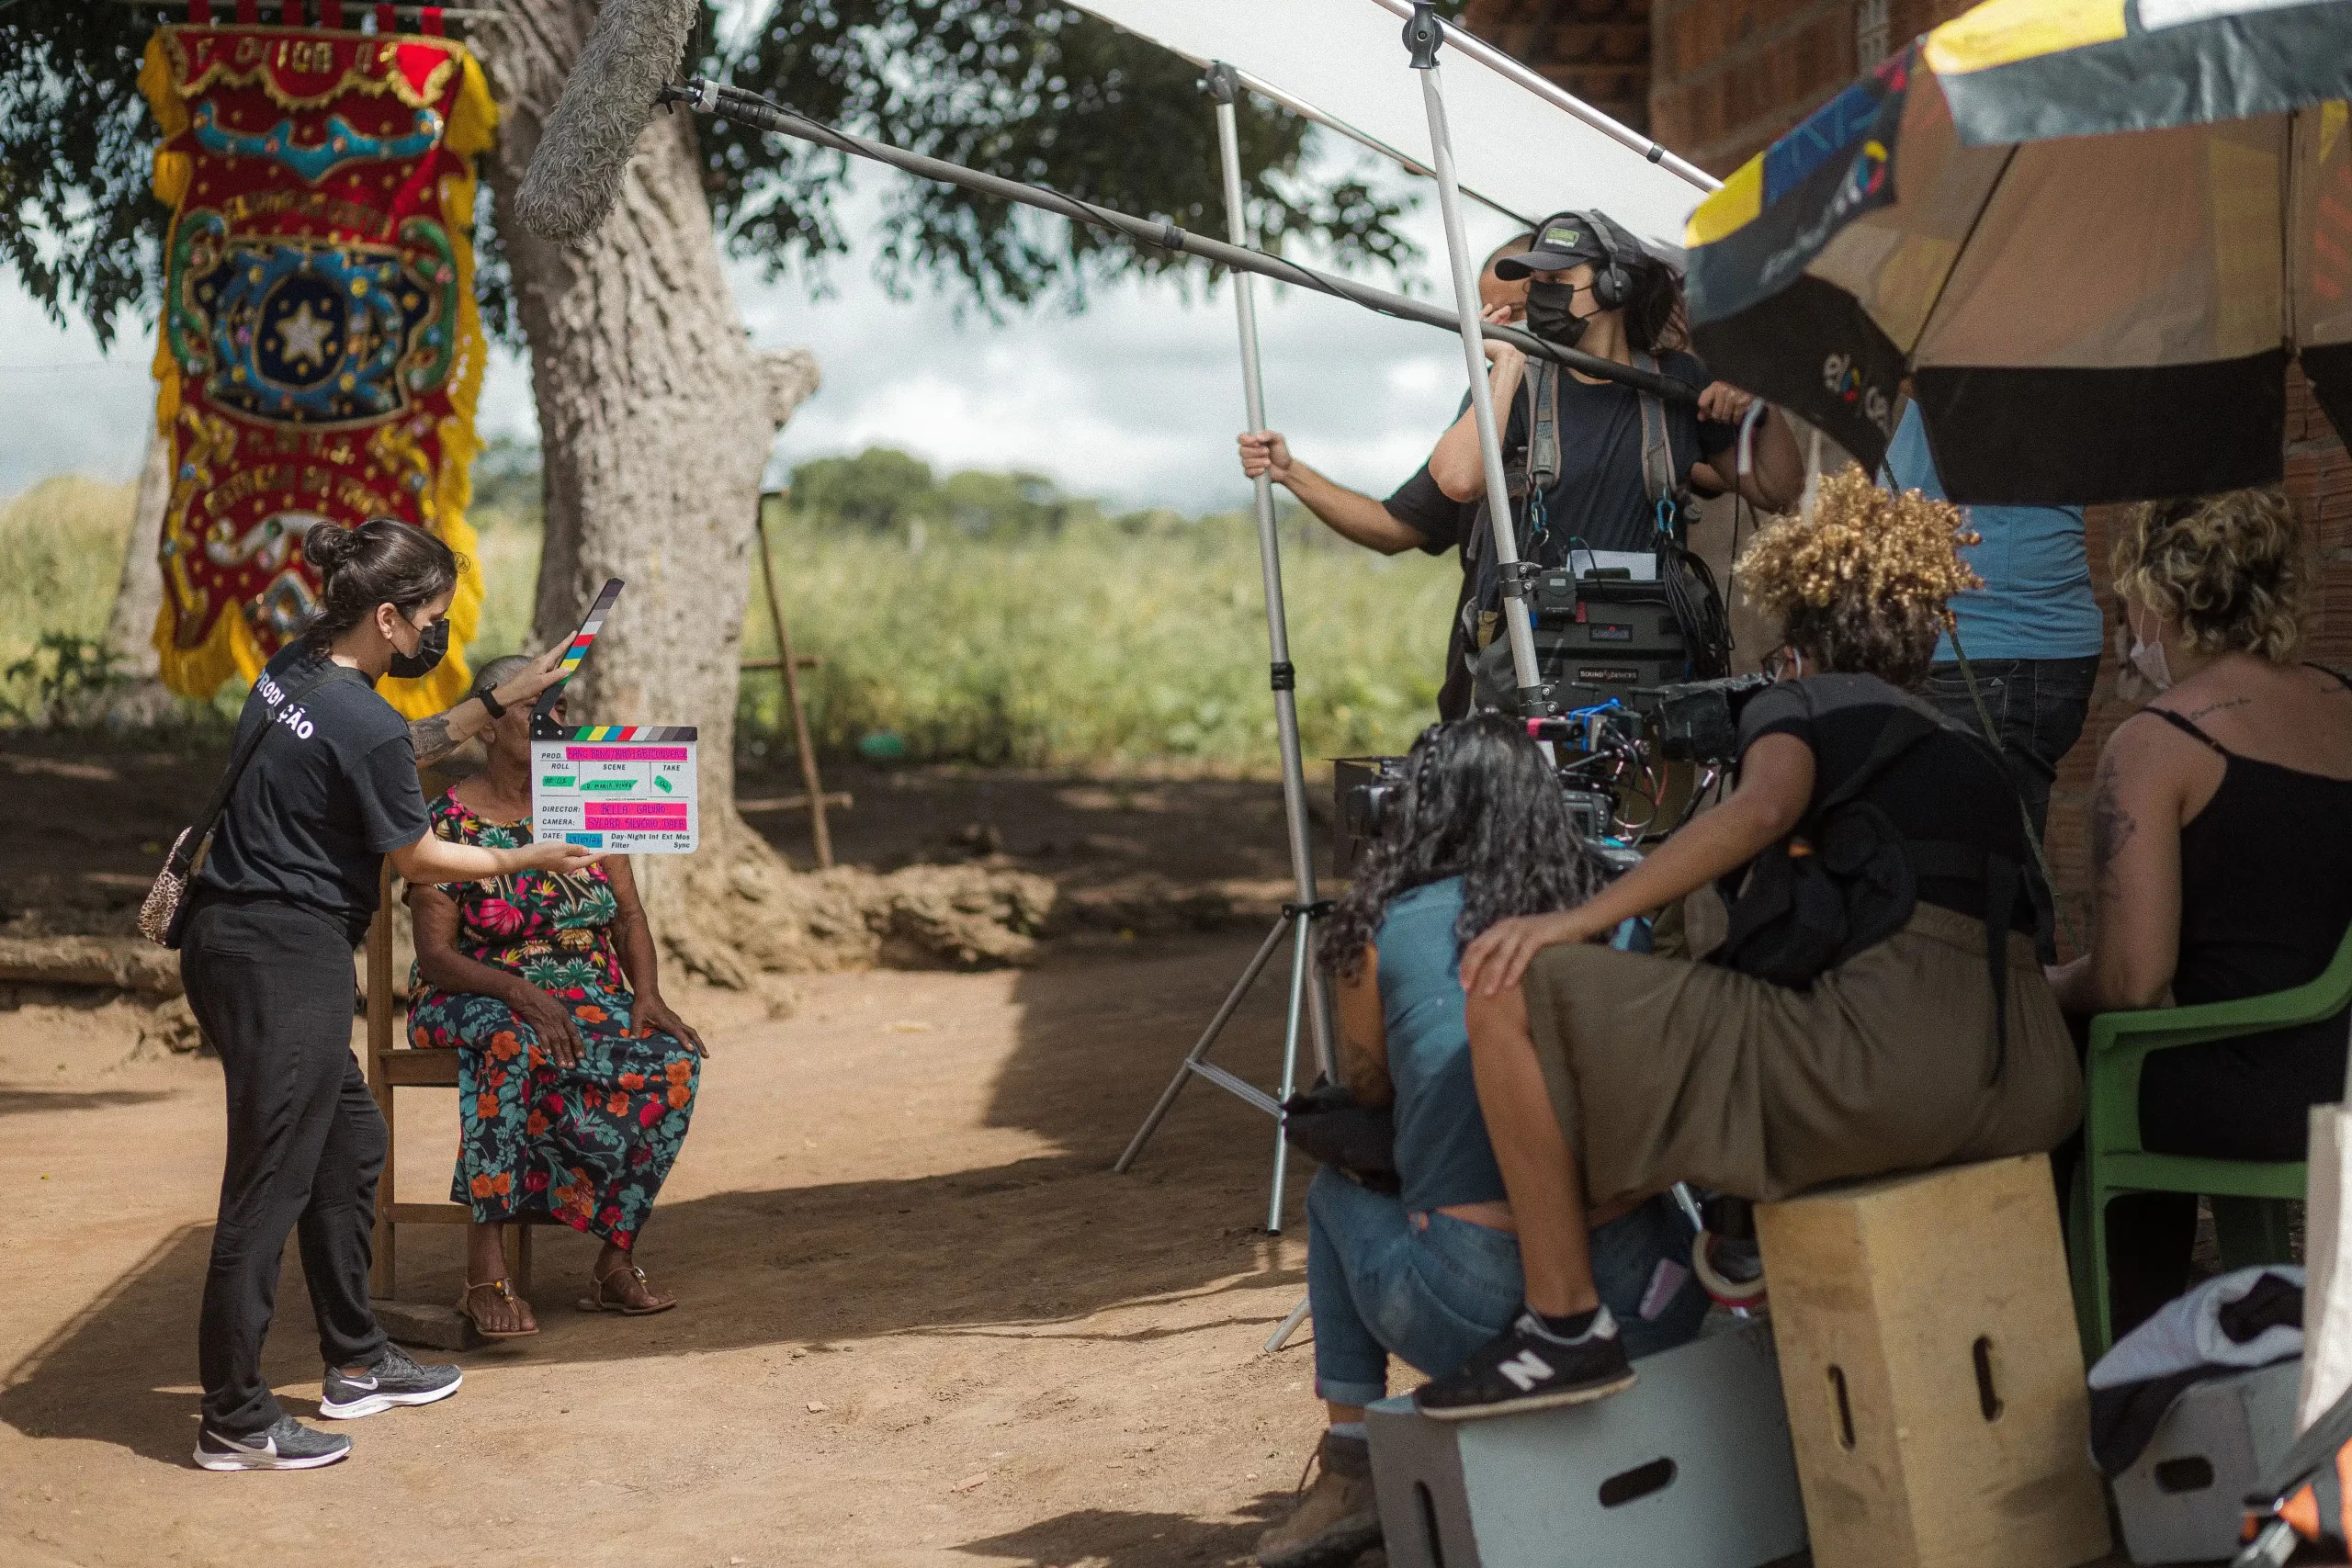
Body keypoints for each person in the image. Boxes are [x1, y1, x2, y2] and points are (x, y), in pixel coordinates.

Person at [1407, 468, 2082, 1419]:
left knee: (1507, 988)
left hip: (1883, 1077)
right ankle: (1744, 1242)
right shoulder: (1968, 751)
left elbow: (1764, 810)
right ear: (1927, 630)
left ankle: (1563, 1324)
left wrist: (1572, 920)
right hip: (2024, 1090)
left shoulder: (1801, 705)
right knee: (1755, 1007)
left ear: (1794, 642)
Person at [180, 519, 605, 1471]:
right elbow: (414, 853)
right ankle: (234, 1417)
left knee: (351, 1141)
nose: (436, 636)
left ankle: (356, 1361)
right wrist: (523, 855)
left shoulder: (301, 665)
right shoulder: (361, 719)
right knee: (269, 1183)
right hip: (279, 957)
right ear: (387, 615)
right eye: (431, 620)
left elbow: (387, 746)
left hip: (232, 937)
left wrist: (490, 699)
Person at [1255, 715, 1708, 1568]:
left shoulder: (1379, 926)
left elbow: (1368, 1089)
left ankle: (1351, 1469)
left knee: (1334, 1192)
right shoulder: (1615, 908)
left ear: (1416, 813)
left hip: (1465, 1311)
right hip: (1650, 1293)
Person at [2048, 489, 2352, 1334]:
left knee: (2076, 1050)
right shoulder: (2344, 697)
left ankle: (2123, 1355)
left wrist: (2051, 986)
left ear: (2158, 599)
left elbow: (2134, 981)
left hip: (2260, 1087)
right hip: (2339, 1066)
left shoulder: (2159, 741)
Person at [407, 656, 708, 1337]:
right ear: (487, 726)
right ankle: (482, 1271)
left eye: (561, 709)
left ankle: (613, 1261)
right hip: (472, 987)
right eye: (530, 707)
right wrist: (520, 992)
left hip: (580, 992)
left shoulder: (583, 799)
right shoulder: (449, 818)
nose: (551, 721)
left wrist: (649, 992)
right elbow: (436, 956)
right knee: (510, 1039)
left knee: (675, 1058)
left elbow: (628, 916)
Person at [1237, 233, 1533, 719]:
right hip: (1482, 688)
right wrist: (1290, 473)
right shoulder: (1493, 398)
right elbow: (1395, 528)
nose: (1497, 331)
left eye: (1516, 313)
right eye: (1489, 314)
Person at [1882, 401, 2103, 846]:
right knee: (1977, 874)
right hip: (1983, 647)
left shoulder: (1989, 348)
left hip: (1992, 646)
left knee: (1982, 879)